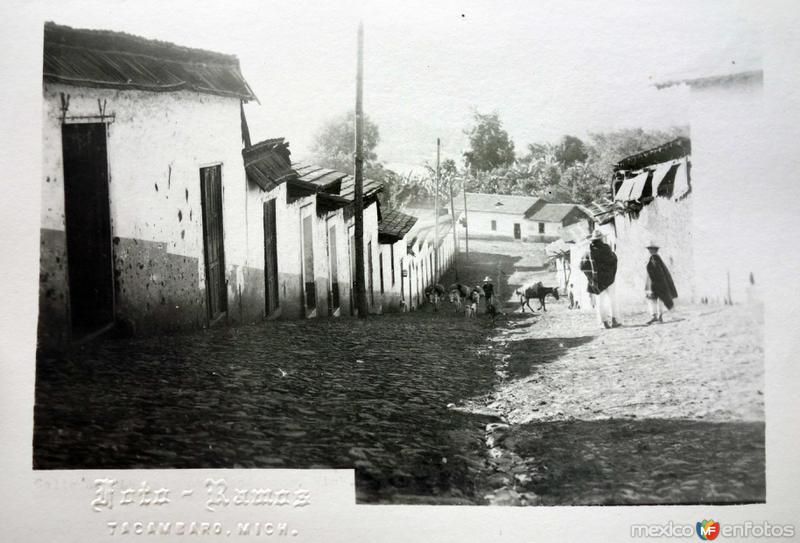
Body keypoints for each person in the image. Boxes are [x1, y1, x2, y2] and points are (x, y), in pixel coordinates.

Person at [580, 229, 620, 329]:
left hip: (597, 281)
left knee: (600, 302)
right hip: (608, 279)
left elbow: (582, 266)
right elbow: (613, 260)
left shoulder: (588, 252)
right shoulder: (606, 248)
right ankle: (614, 320)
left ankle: (605, 322)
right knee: (612, 299)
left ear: (592, 240)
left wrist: (590, 277)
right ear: (601, 239)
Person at [645, 241, 677, 324]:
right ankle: (658, 317)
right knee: (659, 300)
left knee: (654, 300)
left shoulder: (654, 259)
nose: (650, 251)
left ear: (654, 250)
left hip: (655, 284)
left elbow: (657, 272)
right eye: (650, 249)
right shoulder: (657, 259)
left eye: (651, 249)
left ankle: (657, 317)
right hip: (657, 283)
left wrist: (656, 284)